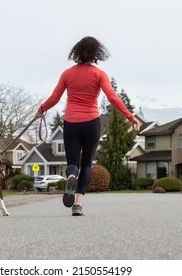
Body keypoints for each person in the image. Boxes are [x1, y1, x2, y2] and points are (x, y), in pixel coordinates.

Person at [35, 36, 140, 216]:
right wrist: (130, 117)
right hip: (91, 122)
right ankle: (77, 204)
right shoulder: (99, 74)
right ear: (96, 53)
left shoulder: (67, 73)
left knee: (73, 163)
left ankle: (70, 176)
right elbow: (112, 97)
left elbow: (55, 98)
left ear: (76, 52)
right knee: (87, 165)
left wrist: (42, 109)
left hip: (71, 123)